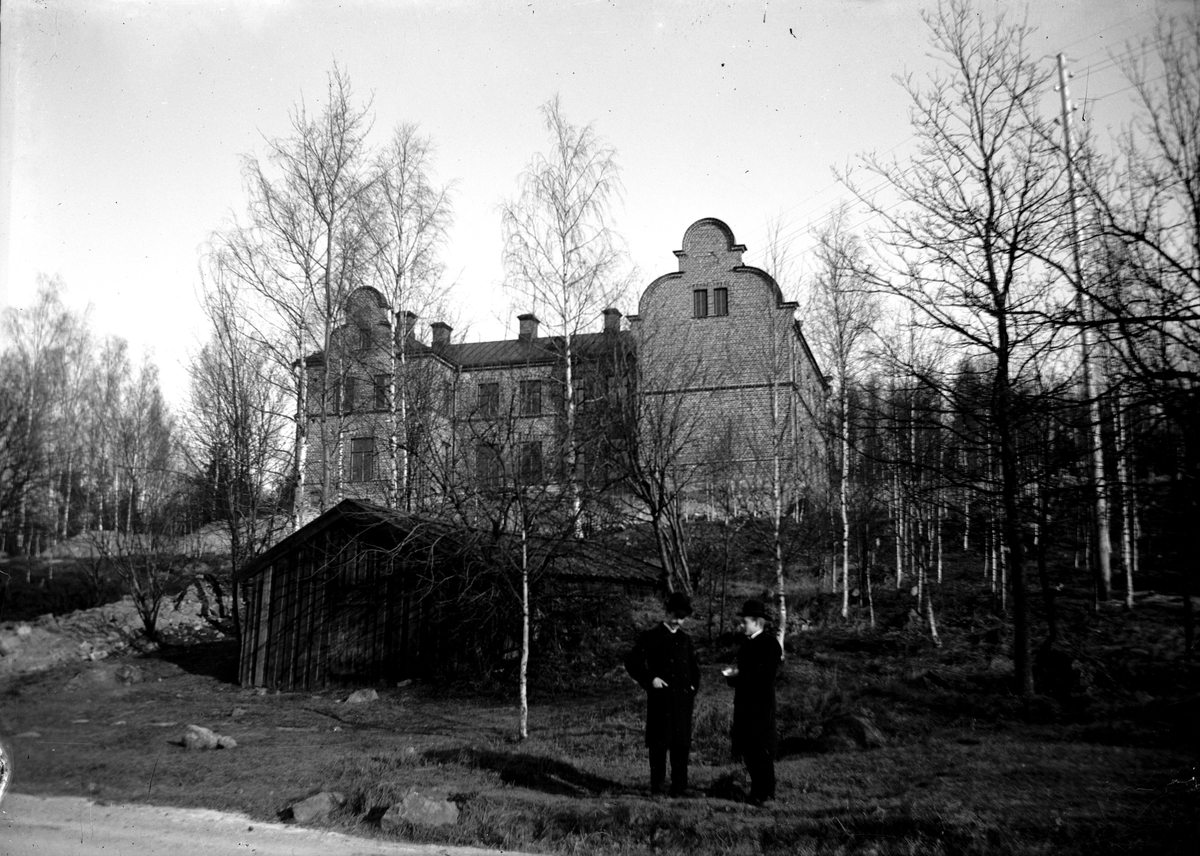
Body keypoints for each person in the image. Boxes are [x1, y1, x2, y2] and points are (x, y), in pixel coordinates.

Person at [624, 591, 700, 797]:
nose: (678, 621)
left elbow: (694, 667)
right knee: (659, 744)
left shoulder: (686, 639)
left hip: (683, 700)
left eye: (682, 618)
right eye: (675, 616)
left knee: (681, 745)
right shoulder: (652, 636)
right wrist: (650, 680)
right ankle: (657, 788)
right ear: (667, 612)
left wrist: (693, 686)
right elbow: (632, 661)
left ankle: (679, 787)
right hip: (662, 699)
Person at [723, 598, 782, 806]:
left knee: (761, 751)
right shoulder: (747, 645)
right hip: (745, 704)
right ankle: (757, 790)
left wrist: (738, 676)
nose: (741, 626)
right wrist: (733, 676)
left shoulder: (770, 644)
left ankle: (765, 793)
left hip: (760, 706)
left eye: (745, 622)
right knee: (749, 750)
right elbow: (748, 674)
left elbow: (762, 675)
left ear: (757, 622)